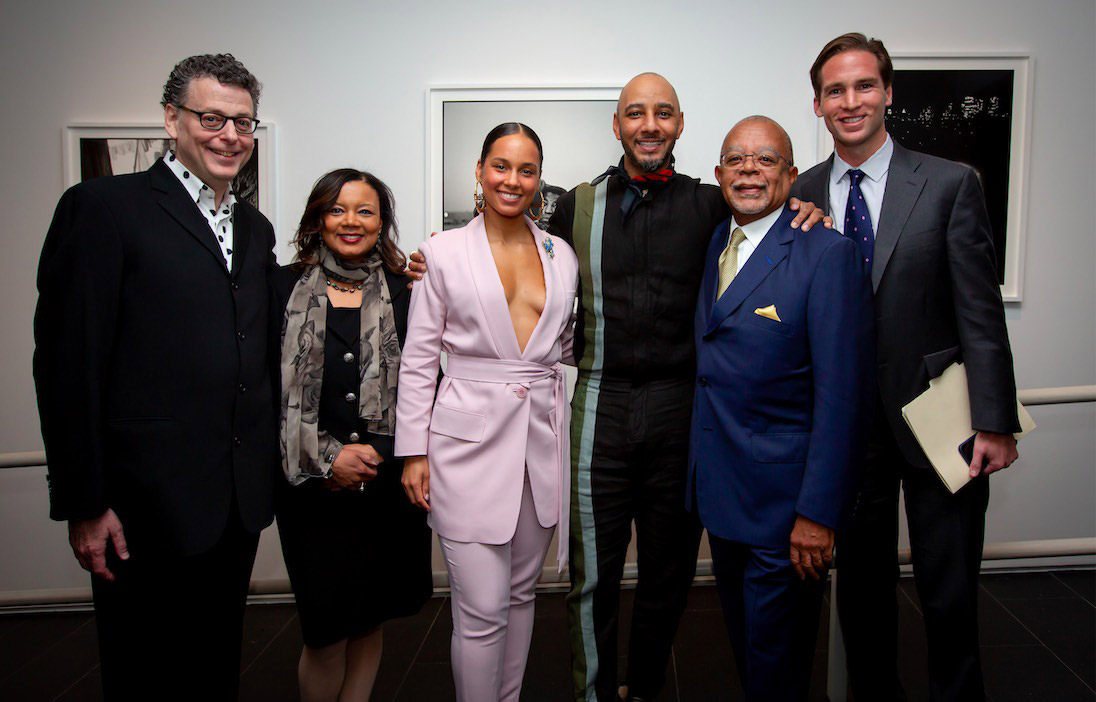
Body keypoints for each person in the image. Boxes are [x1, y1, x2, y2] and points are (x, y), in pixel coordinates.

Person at [544, 73, 829, 702]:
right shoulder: (578, 207)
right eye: (636, 113)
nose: (650, 124)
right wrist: (426, 260)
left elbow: (767, 213)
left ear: (680, 125)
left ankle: (643, 687)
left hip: (683, 410)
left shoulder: (710, 204)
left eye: (664, 113)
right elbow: (516, 250)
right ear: (616, 125)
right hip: (601, 402)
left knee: (669, 573)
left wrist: (807, 203)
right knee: (593, 574)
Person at [33, 53, 277, 699]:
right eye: (212, 118)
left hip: (232, 499)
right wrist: (84, 502)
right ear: (172, 119)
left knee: (214, 664)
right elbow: (67, 363)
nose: (230, 135)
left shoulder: (254, 228)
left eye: (243, 123)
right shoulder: (103, 209)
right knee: (144, 673)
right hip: (140, 503)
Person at [792, 33, 1021, 701]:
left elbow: (981, 314)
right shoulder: (800, 193)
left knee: (949, 599)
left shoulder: (949, 184)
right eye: (836, 90)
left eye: (864, 86)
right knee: (861, 601)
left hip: (937, 419)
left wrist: (996, 420)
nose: (851, 100)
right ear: (818, 104)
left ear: (889, 93)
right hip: (847, 432)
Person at [690, 116, 874, 701]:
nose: (750, 169)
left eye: (766, 160)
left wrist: (818, 514)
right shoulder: (718, 241)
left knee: (779, 664)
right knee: (748, 651)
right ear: (719, 174)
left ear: (793, 177)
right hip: (724, 499)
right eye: (737, 159)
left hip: (788, 511)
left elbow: (844, 398)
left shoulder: (826, 254)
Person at [395, 123, 579, 702]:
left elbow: (566, 342)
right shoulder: (443, 253)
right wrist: (413, 452)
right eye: (501, 166)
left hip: (539, 449)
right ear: (479, 171)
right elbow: (420, 359)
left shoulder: (561, 254)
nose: (513, 180)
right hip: (465, 449)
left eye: (527, 170)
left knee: (522, 596)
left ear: (539, 180)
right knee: (480, 610)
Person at [272, 169, 432, 701]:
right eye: (338, 209)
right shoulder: (279, 287)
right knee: (325, 632)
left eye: (365, 211)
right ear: (318, 217)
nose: (351, 221)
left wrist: (383, 453)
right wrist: (328, 457)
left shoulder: (407, 291)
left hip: (385, 489)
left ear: (381, 222)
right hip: (313, 495)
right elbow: (259, 392)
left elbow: (424, 380)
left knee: (370, 619)